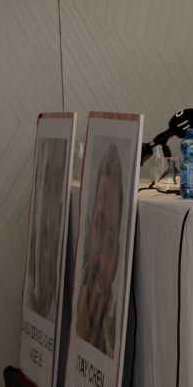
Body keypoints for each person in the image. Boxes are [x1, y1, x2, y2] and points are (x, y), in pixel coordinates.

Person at [74, 143, 125, 356]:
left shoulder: (111, 344)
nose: (103, 253)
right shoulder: (75, 323)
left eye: (112, 240)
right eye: (99, 227)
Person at [26, 140, 68, 322]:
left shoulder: (56, 303)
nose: (50, 221)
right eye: (47, 183)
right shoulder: (31, 294)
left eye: (57, 186)